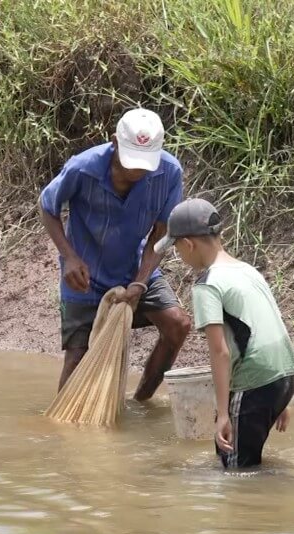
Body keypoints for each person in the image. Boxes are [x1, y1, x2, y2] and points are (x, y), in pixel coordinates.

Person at [39, 109, 192, 401]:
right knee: (77, 358)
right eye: (132, 162)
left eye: (145, 164)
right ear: (114, 142)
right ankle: (63, 420)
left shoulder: (169, 172)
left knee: (178, 324)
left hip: (136, 268)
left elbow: (160, 234)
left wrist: (141, 282)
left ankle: (141, 401)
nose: (138, 172)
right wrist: (69, 257)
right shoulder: (83, 168)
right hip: (85, 276)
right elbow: (47, 207)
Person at [154, 198, 294, 469]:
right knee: (241, 461)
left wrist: (222, 414)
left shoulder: (208, 285)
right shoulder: (247, 270)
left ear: (188, 244)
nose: (179, 255)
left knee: (234, 473)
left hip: (254, 382)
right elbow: (272, 324)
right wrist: (281, 398)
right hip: (284, 376)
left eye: (176, 248)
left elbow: (219, 351)